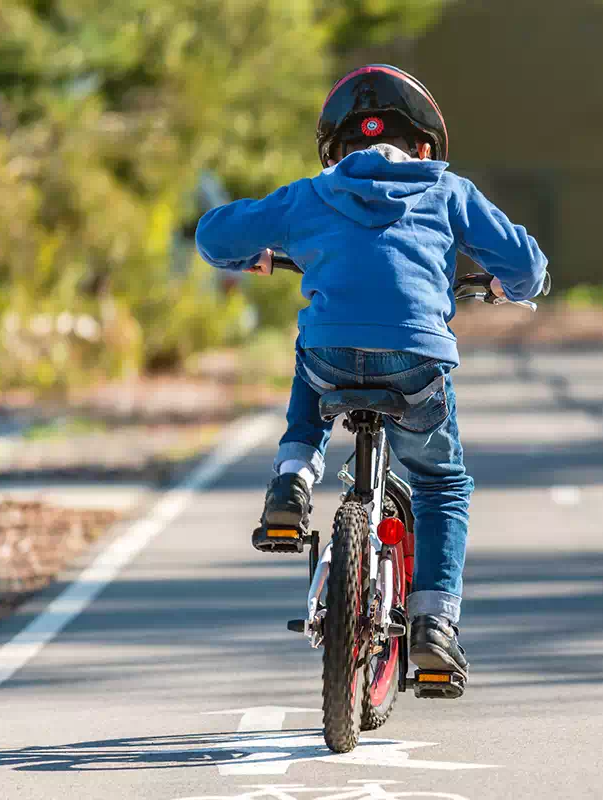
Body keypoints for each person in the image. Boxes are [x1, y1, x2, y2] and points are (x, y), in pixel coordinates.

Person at [195, 64, 548, 681]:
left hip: (332, 358)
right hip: (415, 363)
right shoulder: (449, 190)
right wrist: (504, 286)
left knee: (312, 356)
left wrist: (258, 255)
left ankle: (292, 481)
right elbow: (528, 266)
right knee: (441, 484)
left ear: (335, 151)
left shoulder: (311, 195)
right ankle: (434, 626)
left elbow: (213, 236)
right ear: (425, 147)